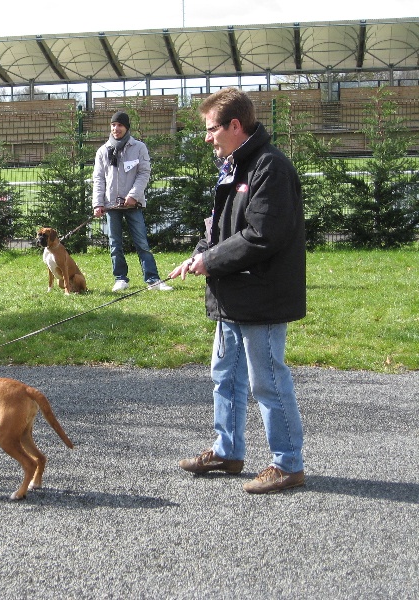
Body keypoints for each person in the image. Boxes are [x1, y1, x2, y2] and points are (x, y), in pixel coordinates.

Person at [169, 87, 306, 494]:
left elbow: (263, 234)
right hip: (229, 295)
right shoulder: (232, 167)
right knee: (225, 376)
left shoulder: (269, 167)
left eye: (211, 129)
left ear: (234, 126)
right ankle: (228, 451)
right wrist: (197, 254)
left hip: (261, 297)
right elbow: (219, 227)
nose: (207, 138)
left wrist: (210, 261)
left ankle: (288, 464)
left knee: (267, 381)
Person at [92, 111, 172, 292]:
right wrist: (98, 204)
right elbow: (98, 179)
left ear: (126, 127)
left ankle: (153, 280)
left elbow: (144, 173)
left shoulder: (139, 147)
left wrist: (133, 195)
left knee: (142, 243)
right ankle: (120, 278)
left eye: (119, 125)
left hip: (133, 204)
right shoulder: (103, 151)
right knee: (115, 244)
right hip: (111, 205)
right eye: (113, 125)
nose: (115, 128)